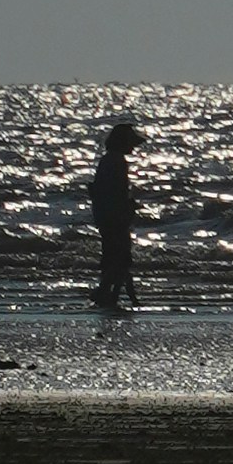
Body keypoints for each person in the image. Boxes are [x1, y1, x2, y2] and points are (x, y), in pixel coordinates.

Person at [89, 110, 142, 318]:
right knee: (120, 258)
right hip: (114, 217)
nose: (134, 148)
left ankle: (115, 295)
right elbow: (118, 192)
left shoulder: (107, 160)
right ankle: (105, 292)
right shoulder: (118, 161)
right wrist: (127, 211)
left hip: (104, 216)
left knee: (113, 256)